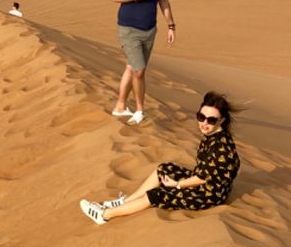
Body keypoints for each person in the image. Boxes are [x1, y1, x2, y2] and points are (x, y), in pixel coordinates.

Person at [80, 92, 241, 224]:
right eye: (201, 117)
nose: (204, 123)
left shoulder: (221, 146)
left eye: (211, 120)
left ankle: (105, 215)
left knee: (157, 195)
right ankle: (125, 202)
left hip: (209, 196)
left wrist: (177, 185)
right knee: (164, 169)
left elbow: (202, 178)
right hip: (203, 183)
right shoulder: (214, 135)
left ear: (222, 120)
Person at [110, 0, 176, 125]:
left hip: (149, 29)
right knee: (139, 71)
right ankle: (140, 110)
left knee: (132, 67)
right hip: (129, 28)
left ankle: (120, 107)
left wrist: (171, 25)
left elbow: (163, 0)